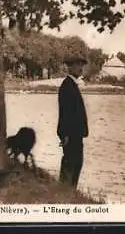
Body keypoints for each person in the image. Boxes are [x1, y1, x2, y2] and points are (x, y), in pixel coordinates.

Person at [57, 56, 89, 188]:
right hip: (71, 135)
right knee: (71, 165)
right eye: (77, 65)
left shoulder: (72, 85)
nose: (80, 68)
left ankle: (69, 193)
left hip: (76, 134)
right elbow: (65, 113)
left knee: (76, 164)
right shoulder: (67, 86)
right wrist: (64, 135)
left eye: (82, 65)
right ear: (70, 67)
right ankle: (65, 194)